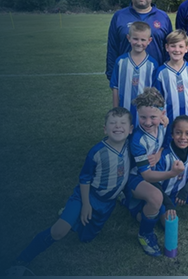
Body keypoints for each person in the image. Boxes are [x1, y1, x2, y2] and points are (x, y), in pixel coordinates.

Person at [7, 107, 134, 276]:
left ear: (131, 129)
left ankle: (70, 215)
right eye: (113, 123)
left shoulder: (130, 146)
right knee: (59, 231)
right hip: (87, 196)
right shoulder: (97, 152)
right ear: (105, 128)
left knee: (86, 238)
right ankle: (22, 260)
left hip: (107, 204)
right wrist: (86, 204)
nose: (118, 126)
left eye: (123, 123)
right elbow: (84, 179)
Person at [125, 87, 185, 257]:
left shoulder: (164, 123)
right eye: (142, 117)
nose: (148, 122)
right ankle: (144, 235)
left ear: (162, 114)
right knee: (156, 198)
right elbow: (146, 175)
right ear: (137, 113)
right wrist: (173, 173)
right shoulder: (137, 139)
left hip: (153, 174)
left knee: (163, 220)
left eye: (153, 117)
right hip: (135, 177)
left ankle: (134, 207)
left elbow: (166, 139)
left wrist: (159, 153)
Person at [106, 0, 172, 80]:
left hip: (156, 78)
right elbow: (112, 48)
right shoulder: (119, 16)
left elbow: (169, 49)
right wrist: (111, 75)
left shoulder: (163, 17)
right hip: (127, 77)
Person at [110, 21, 158, 127]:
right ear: (129, 38)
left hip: (145, 115)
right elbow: (115, 87)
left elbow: (154, 92)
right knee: (123, 136)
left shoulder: (152, 64)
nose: (139, 43)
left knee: (140, 141)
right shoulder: (121, 61)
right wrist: (115, 109)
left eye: (143, 40)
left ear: (149, 40)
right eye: (135, 38)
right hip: (123, 110)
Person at [154, 29, 188, 131]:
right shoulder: (161, 72)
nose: (177, 50)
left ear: (186, 48)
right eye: (173, 46)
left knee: (186, 142)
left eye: (181, 46)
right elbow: (157, 99)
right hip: (168, 119)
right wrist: (160, 116)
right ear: (167, 47)